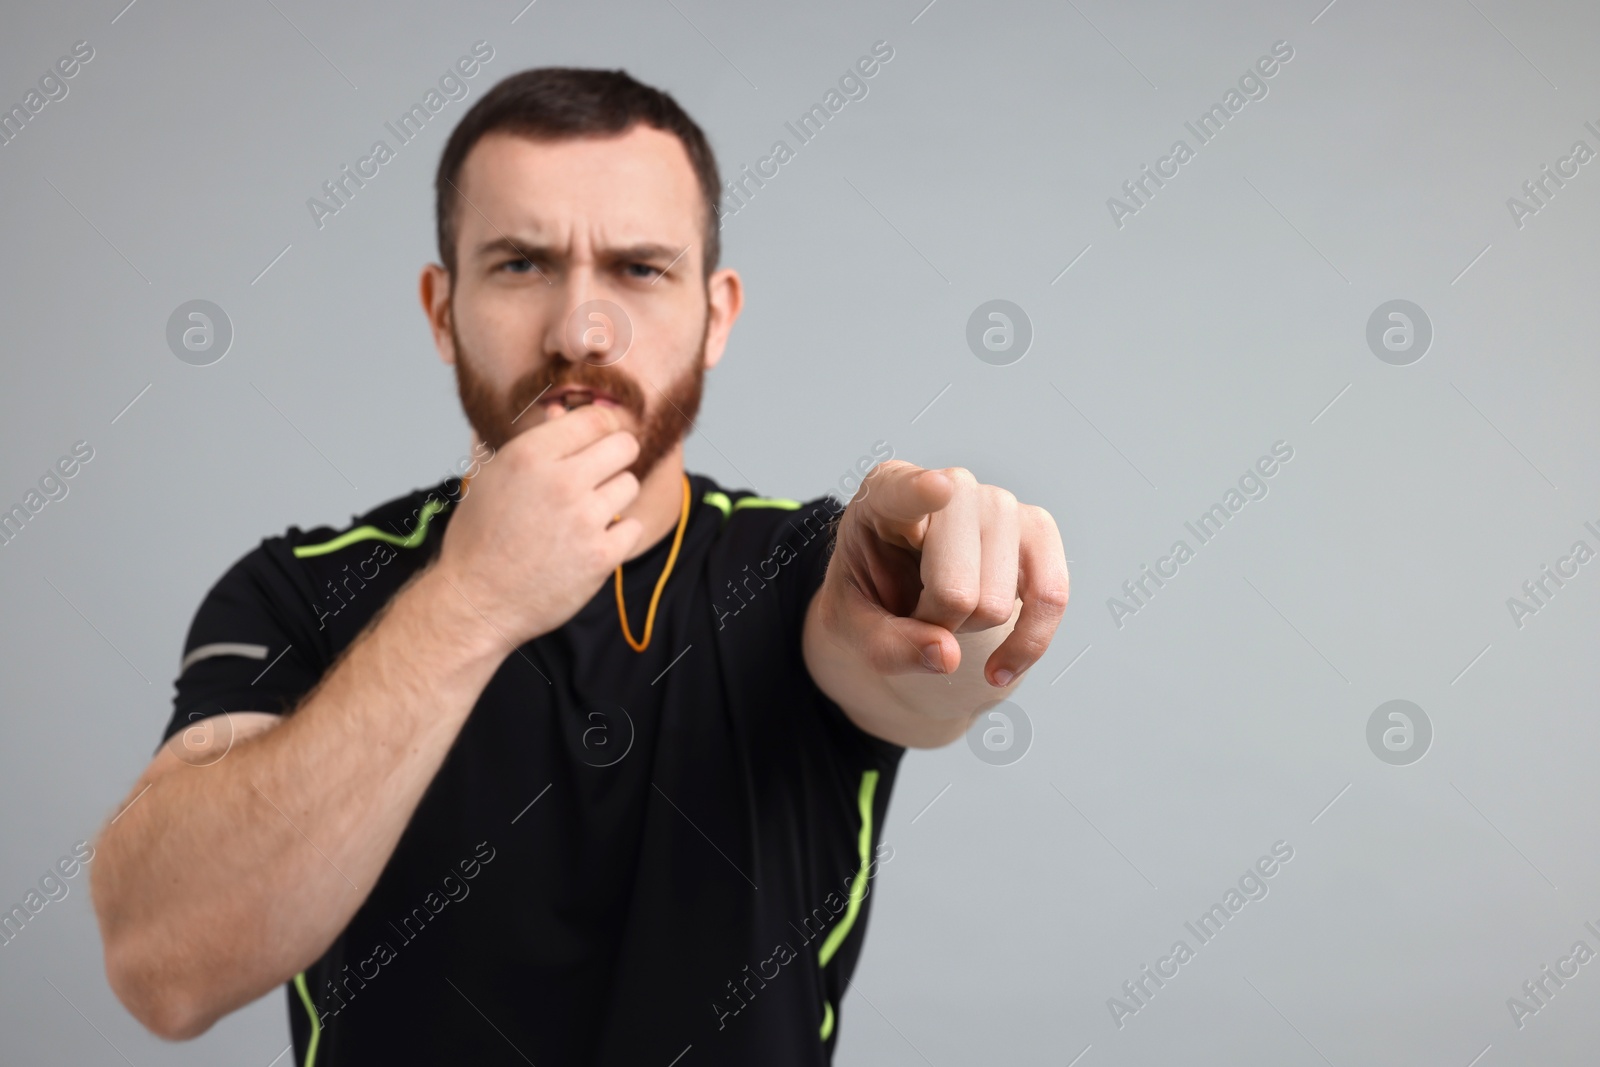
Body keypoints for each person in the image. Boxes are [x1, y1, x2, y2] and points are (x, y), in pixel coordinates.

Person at [89, 67, 1069, 1066]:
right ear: (441, 307)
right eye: (521, 264)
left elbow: (912, 675)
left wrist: (963, 593)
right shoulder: (299, 587)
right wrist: (471, 599)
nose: (579, 334)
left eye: (640, 269)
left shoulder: (803, 572)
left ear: (715, 314)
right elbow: (164, 965)